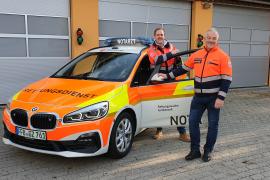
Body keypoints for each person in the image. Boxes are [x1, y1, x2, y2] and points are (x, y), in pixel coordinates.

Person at [158, 28, 232, 162]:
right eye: (208, 37)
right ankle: (195, 150)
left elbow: (227, 79)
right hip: (198, 97)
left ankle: (208, 150)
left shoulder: (223, 56)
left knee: (212, 125)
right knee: (192, 123)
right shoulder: (197, 54)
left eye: (213, 38)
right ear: (204, 39)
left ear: (217, 40)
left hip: (214, 98)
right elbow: (183, 68)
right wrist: (167, 75)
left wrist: (221, 97)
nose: (210, 40)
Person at [147, 27, 190, 142]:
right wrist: (171, 54)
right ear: (154, 36)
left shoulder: (171, 46)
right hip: (158, 81)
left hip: (171, 80)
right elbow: (156, 60)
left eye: (161, 34)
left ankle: (182, 133)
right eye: (158, 35)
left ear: (164, 35)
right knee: (159, 106)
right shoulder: (151, 49)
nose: (160, 36)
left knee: (177, 107)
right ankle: (159, 130)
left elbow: (178, 60)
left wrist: (177, 57)